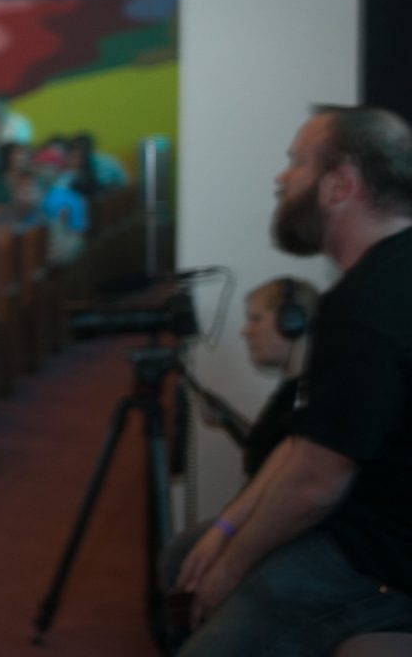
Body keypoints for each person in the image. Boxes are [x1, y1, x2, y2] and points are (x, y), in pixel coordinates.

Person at [168, 106, 412, 654]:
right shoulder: (376, 282)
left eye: (296, 162)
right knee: (185, 554)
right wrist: (227, 529)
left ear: (340, 185)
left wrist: (231, 566)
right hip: (366, 527)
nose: (281, 178)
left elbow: (315, 484)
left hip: (383, 561)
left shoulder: (366, 305)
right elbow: (309, 445)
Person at [230, 277, 318, 479]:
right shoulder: (290, 391)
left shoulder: (312, 397)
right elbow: (269, 450)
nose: (246, 332)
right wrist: (229, 419)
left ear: (292, 322)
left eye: (256, 319)